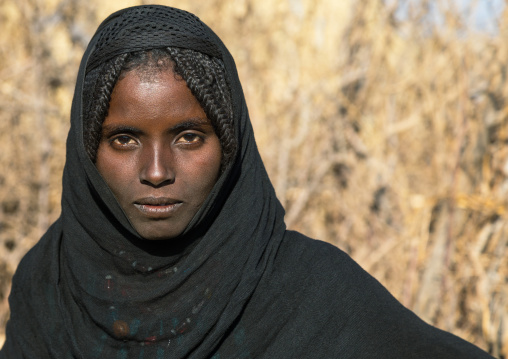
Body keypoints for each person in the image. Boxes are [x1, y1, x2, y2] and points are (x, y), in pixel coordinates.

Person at [0, 5, 494, 358]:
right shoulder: (48, 285)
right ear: (87, 152)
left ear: (231, 145)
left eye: (190, 137)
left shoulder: (313, 295)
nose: (156, 171)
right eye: (124, 140)